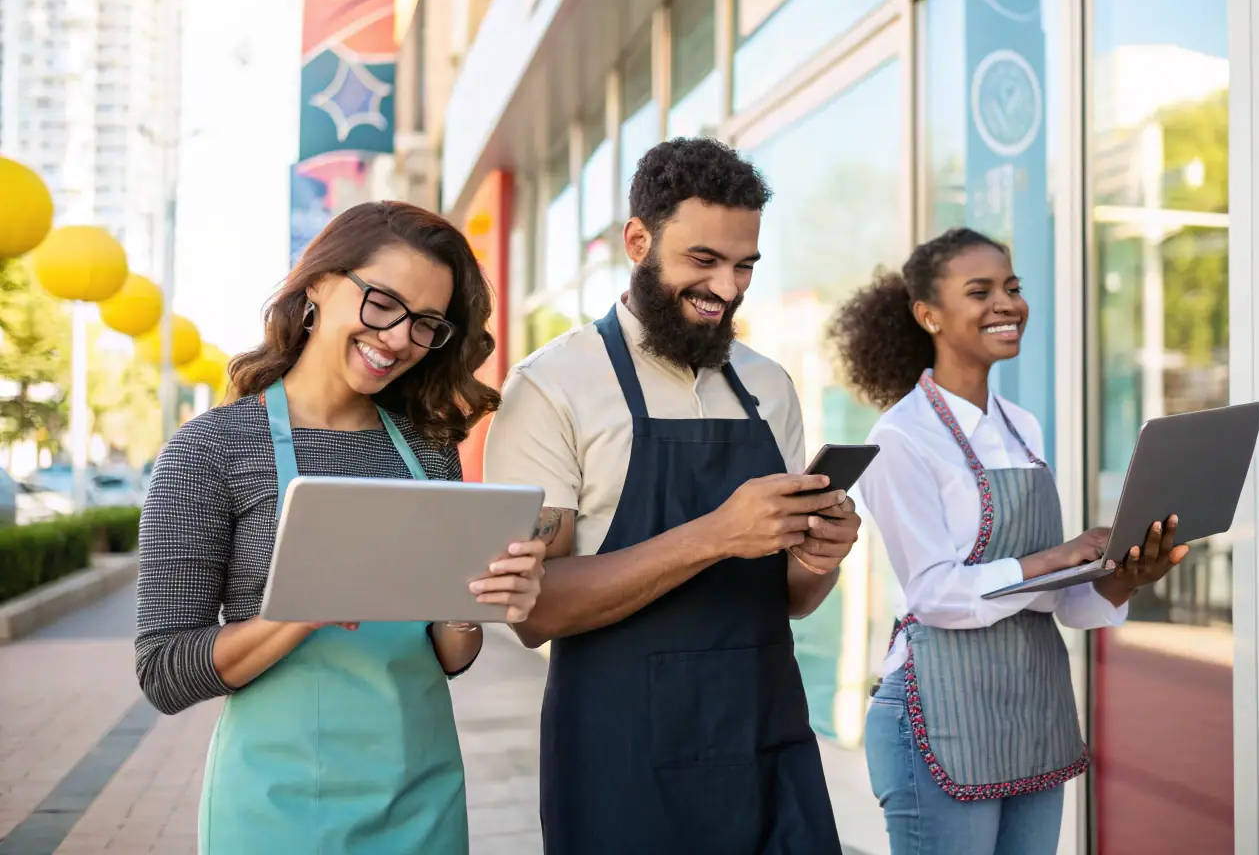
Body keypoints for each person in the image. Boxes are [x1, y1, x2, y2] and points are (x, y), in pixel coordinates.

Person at [134, 201, 547, 854]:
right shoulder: (210, 451)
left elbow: (449, 656)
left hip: (422, 797)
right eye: (383, 303)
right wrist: (303, 609)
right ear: (320, 284)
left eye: (425, 324)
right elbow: (163, 671)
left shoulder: (428, 450)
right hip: (278, 810)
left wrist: (472, 605)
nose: (399, 338)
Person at [484, 138, 856, 854]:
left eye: (744, 265)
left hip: (764, 743)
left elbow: (789, 598)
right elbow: (535, 612)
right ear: (638, 241)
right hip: (621, 760)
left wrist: (820, 558)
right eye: (703, 260)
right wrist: (716, 534)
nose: (728, 287)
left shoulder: (768, 386)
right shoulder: (551, 386)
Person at [827, 227, 1186, 855]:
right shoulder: (901, 437)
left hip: (1031, 707)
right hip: (940, 712)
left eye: (1012, 288)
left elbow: (1056, 602)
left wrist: (1123, 577)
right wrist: (1055, 556)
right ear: (929, 315)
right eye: (980, 291)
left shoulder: (1023, 428)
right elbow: (935, 595)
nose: (1007, 304)